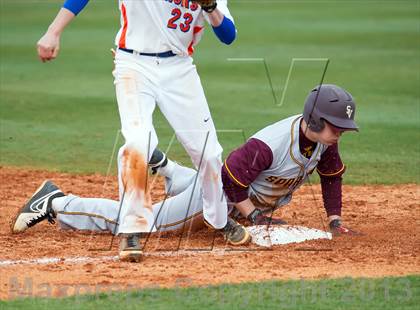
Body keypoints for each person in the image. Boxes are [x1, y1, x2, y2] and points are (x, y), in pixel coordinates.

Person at [12, 84, 359, 248]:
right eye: (335, 126)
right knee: (146, 222)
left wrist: (335, 218)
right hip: (223, 195)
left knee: (199, 187)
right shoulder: (268, 146)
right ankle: (57, 202)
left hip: (229, 193)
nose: (340, 132)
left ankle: (163, 166)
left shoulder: (324, 142)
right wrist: (254, 216)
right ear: (314, 120)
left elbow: (331, 177)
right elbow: (228, 180)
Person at [35, 0, 249, 262]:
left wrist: (210, 7)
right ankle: (131, 228)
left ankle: (217, 220)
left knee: (208, 153)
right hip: (133, 65)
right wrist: (53, 31)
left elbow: (228, 35)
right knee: (138, 143)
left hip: (179, 69)